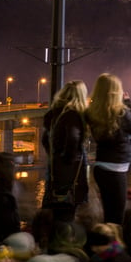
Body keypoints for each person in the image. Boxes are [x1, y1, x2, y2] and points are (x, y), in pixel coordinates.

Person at [86, 73, 131, 225]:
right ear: (116, 91)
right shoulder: (120, 113)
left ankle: (108, 244)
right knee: (116, 218)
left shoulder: (92, 112)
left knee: (109, 214)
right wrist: (129, 102)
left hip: (101, 167)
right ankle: (114, 247)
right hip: (115, 170)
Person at [41, 80, 89, 222]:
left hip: (55, 169)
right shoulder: (72, 115)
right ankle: (64, 240)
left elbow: (45, 139)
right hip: (70, 173)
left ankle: (54, 238)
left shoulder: (53, 114)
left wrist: (53, 155)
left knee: (55, 207)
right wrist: (69, 159)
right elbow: (73, 138)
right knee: (68, 210)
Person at [0, 152, 20, 246]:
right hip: (0, 246)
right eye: (10, 165)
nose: (13, 169)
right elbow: (11, 226)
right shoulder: (3, 195)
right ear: (1, 168)